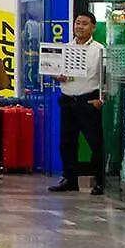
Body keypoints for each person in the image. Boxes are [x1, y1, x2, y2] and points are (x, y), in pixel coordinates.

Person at [50, 11, 106, 195]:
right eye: (77, 23)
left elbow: (106, 78)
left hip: (88, 100)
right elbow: (54, 71)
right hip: (67, 100)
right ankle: (69, 179)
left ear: (93, 27)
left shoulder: (99, 50)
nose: (80, 27)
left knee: (95, 143)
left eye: (84, 24)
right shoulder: (65, 48)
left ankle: (99, 181)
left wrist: (101, 99)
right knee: (67, 142)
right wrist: (57, 76)